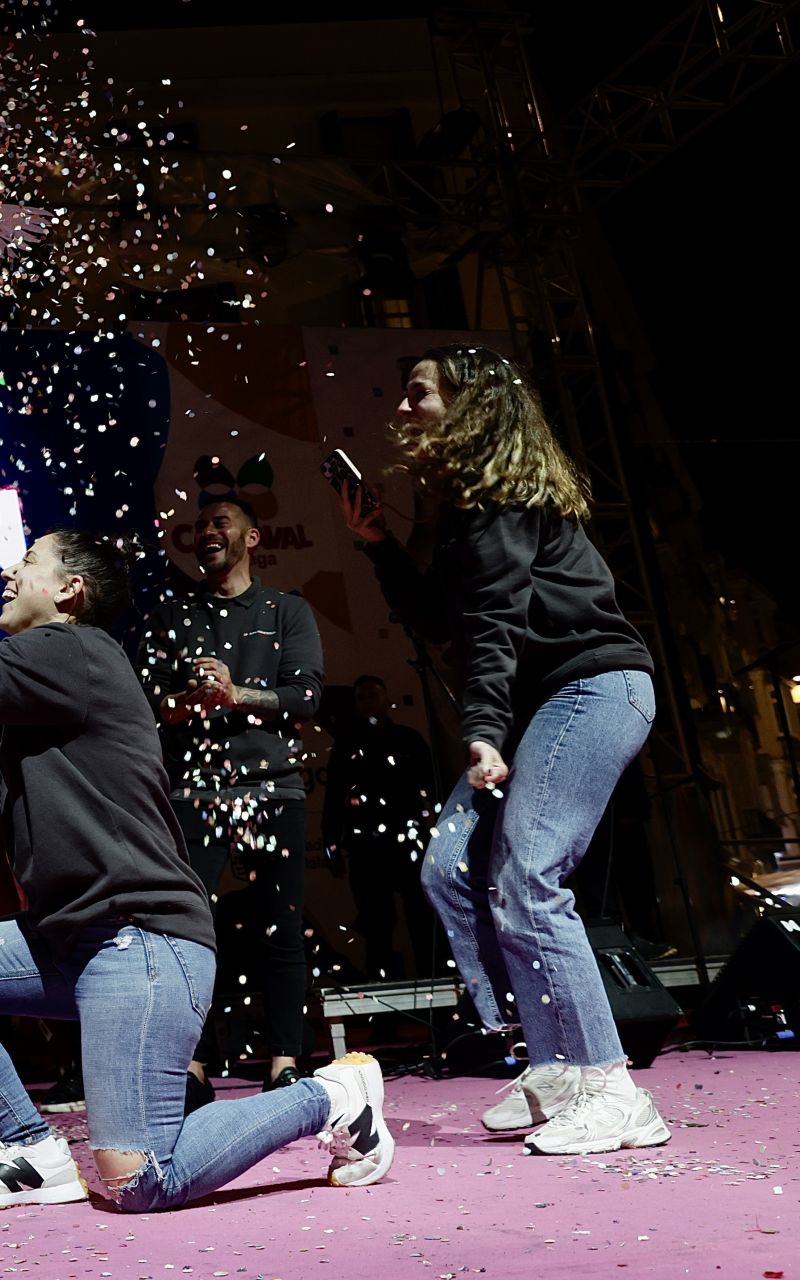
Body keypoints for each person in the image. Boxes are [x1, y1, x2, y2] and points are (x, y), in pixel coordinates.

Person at [0, 529, 393, 1211]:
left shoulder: (77, 651)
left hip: (140, 937)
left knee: (139, 1177)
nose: (8, 571)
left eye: (28, 562)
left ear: (70, 591)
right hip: (69, 939)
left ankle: (333, 1096)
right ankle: (32, 1151)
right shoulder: (45, 687)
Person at [338, 343, 667, 1156]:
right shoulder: (463, 506)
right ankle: (553, 1060)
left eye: (421, 392)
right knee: (449, 869)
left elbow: (496, 626)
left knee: (529, 876)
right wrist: (378, 542)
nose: (405, 408)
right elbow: (446, 621)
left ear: (473, 405)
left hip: (590, 689)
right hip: (537, 707)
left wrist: (481, 729)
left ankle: (611, 1087)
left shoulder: (503, 492)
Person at [138, 498, 324, 1100]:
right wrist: (192, 701)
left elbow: (306, 697)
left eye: (221, 523)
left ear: (252, 536)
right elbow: (150, 705)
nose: (208, 533)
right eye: (200, 526)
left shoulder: (286, 610)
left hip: (273, 787)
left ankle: (285, 1061)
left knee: (283, 929)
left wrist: (236, 692)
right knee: (192, 933)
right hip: (195, 791)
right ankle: (193, 1067)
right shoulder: (171, 612)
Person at [322, 675, 441, 979]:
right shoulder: (346, 745)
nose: (368, 702)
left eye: (373, 695)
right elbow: (334, 797)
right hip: (366, 849)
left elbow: (434, 787)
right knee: (376, 925)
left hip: (409, 844)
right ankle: (382, 1013)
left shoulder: (408, 740)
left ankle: (436, 992)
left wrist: (440, 835)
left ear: (387, 699)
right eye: (361, 697)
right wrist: (331, 844)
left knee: (422, 918)